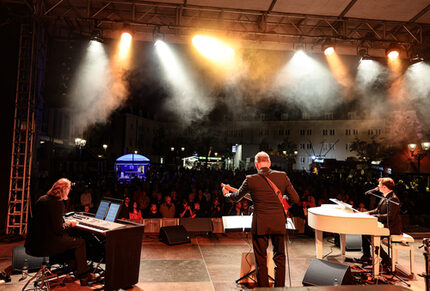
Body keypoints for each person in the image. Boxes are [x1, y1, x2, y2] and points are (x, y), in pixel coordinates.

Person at [222, 151, 300, 287]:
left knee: (261, 259)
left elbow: (236, 197)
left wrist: (226, 194)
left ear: (257, 165)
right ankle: (279, 288)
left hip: (260, 224)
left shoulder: (250, 179)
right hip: (278, 223)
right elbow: (296, 199)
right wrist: (283, 204)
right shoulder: (282, 176)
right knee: (280, 258)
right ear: (269, 163)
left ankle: (263, 289)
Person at [24, 178, 96, 286]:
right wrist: (70, 224)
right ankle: (83, 276)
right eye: (69, 189)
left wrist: (63, 221)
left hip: (34, 243)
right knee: (80, 242)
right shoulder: (57, 203)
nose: (69, 191)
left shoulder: (42, 199)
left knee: (69, 238)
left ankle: (74, 268)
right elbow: (58, 229)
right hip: (48, 243)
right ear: (64, 189)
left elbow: (46, 221)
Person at [360, 177, 402, 267]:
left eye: (379, 185)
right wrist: (368, 213)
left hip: (392, 227)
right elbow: (377, 210)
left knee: (369, 235)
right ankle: (367, 256)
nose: (378, 186)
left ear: (384, 187)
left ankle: (386, 259)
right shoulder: (385, 196)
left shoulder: (393, 199)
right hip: (384, 225)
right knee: (365, 232)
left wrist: (373, 217)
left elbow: (390, 216)